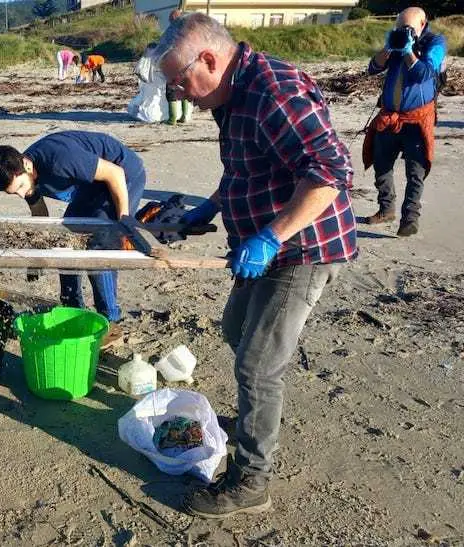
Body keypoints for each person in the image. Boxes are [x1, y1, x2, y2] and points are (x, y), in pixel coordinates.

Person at [156, 13, 358, 518]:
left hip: (303, 248)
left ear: (209, 59)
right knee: (236, 328)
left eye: (180, 82)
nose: (179, 95)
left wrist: (270, 236)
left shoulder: (274, 92)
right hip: (264, 242)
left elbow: (331, 173)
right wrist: (211, 207)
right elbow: (246, 169)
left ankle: (251, 482)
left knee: (257, 364)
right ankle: (255, 416)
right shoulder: (230, 95)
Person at [0, 131, 146, 326]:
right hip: (92, 184)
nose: (21, 194)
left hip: (124, 174)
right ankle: (72, 307)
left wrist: (123, 220)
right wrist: (36, 260)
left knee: (99, 247)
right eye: (13, 192)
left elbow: (115, 173)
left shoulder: (59, 159)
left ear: (26, 165)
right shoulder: (23, 174)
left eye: (19, 187)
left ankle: (110, 318)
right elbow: (39, 214)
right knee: (65, 242)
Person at [362, 6, 446, 237]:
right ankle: (386, 209)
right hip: (390, 116)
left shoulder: (435, 43)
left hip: (417, 118)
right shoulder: (396, 41)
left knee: (415, 171)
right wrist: (389, 47)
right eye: (399, 27)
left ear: (422, 24)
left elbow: (424, 74)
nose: (403, 31)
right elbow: (373, 68)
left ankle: (410, 218)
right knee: (381, 164)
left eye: (407, 28)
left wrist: (409, 50)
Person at [163, 9, 192, 125]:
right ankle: (185, 116)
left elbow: (166, 47)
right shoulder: (189, 30)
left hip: (175, 64)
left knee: (171, 90)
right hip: (188, 64)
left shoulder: (172, 31)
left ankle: (172, 118)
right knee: (184, 88)